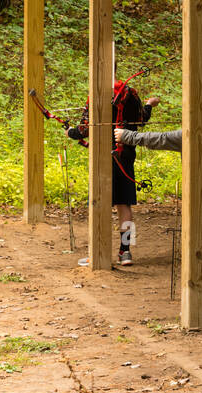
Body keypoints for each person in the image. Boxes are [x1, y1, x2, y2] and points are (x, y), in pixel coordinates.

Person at [116, 91, 202, 316]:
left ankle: (196, 302)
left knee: (198, 251)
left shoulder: (196, 133)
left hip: (201, 204)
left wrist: (126, 135)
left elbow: (159, 138)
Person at [67, 81, 159, 266]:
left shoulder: (96, 93)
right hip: (124, 154)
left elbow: (83, 130)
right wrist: (149, 104)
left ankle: (97, 254)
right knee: (124, 204)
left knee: (99, 204)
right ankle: (125, 252)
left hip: (102, 156)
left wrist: (70, 132)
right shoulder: (130, 93)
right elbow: (141, 119)